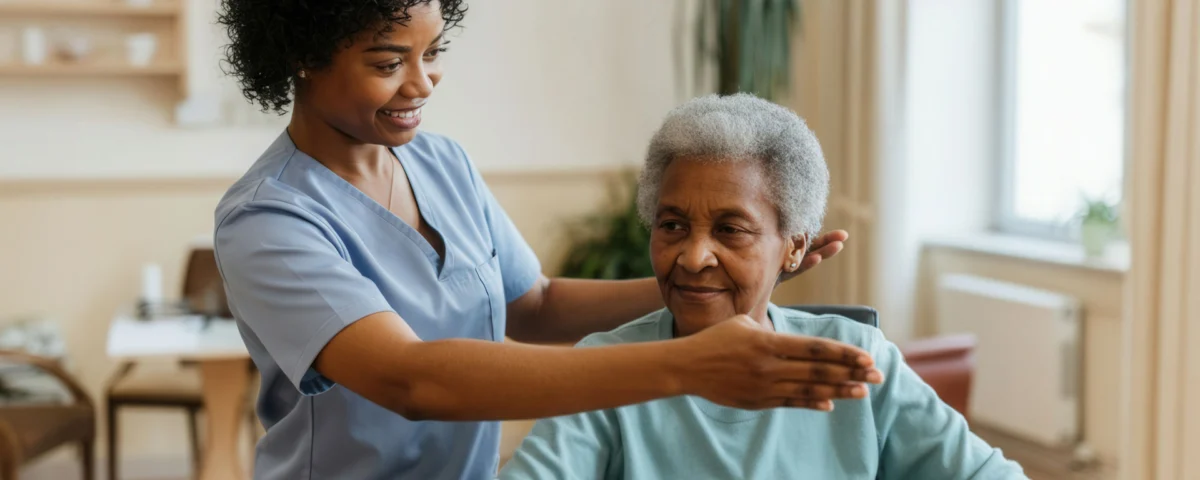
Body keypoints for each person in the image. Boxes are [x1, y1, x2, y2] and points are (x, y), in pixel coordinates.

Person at [211, 1, 875, 479]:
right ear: (301, 56)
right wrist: (686, 364)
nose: (422, 82)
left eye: (433, 52)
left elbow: (537, 304)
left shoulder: (441, 164)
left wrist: (709, 279)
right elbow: (409, 380)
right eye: (389, 62)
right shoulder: (268, 219)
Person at [499, 94, 1027, 480]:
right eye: (672, 225)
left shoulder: (857, 359)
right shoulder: (607, 368)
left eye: (730, 229)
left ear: (793, 248)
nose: (694, 256)